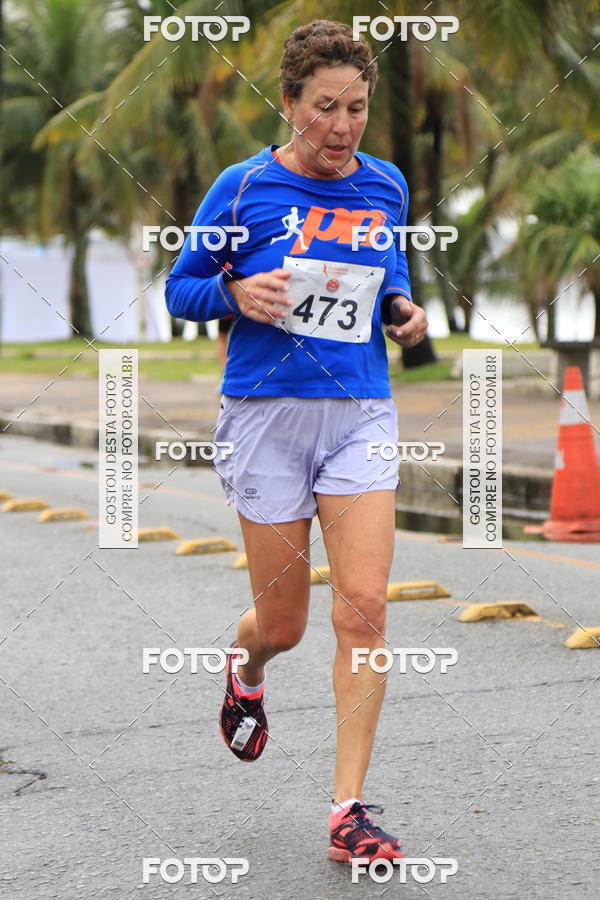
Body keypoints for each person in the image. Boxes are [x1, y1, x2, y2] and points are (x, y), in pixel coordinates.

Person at [165, 19, 428, 865]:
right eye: (324, 107)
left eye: (356, 108)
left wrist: (404, 312)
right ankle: (247, 669)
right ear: (287, 103)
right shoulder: (242, 188)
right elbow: (180, 287)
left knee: (365, 608)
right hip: (265, 417)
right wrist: (235, 294)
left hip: (358, 414)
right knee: (285, 625)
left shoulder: (385, 186)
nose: (342, 126)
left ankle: (349, 812)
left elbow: (389, 279)